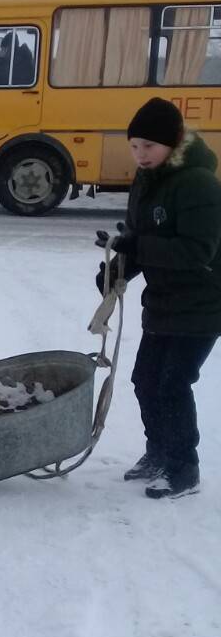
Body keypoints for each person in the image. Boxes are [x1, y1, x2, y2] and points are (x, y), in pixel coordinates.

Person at [95, 97, 221, 499]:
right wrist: (114, 270)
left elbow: (197, 251)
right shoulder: (146, 180)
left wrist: (137, 246)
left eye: (149, 146)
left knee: (173, 383)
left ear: (172, 143)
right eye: (135, 146)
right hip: (165, 302)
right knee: (145, 380)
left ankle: (184, 468)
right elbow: (138, 240)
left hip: (204, 302)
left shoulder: (198, 183)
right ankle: (159, 452)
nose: (141, 154)